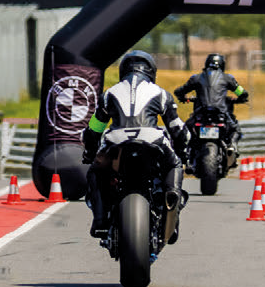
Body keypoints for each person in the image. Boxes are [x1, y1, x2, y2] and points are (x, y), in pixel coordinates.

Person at [81, 50, 189, 239]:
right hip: (152, 140)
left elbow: (93, 131)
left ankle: (99, 219)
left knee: (95, 171)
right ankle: (172, 199)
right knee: (174, 164)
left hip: (116, 141)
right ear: (151, 71)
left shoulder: (109, 94)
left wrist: (90, 154)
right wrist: (182, 152)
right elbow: (178, 131)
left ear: (123, 70)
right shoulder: (161, 93)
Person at [173, 52, 248, 142]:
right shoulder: (228, 78)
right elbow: (242, 93)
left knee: (185, 132)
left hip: (201, 114)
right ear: (222, 64)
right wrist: (240, 100)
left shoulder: (196, 78)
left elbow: (179, 91)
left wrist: (183, 98)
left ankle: (186, 152)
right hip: (221, 114)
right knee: (236, 130)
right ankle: (232, 147)